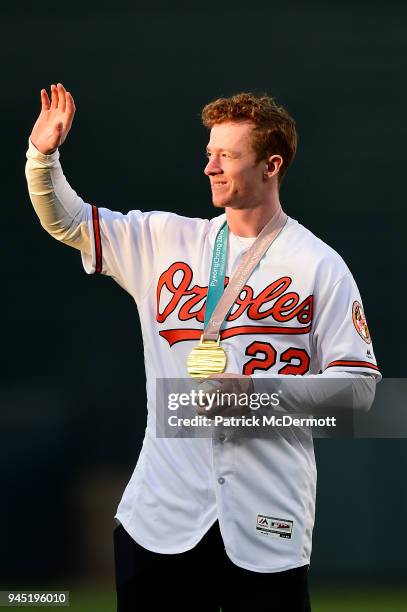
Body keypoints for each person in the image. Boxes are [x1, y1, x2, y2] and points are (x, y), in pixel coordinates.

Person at [25, 84, 380, 611]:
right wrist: (42, 156)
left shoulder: (318, 264)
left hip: (267, 525)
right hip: (160, 520)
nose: (211, 167)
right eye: (209, 154)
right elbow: (68, 220)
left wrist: (258, 394)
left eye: (227, 156)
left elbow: (359, 395)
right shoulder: (166, 240)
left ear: (271, 165)